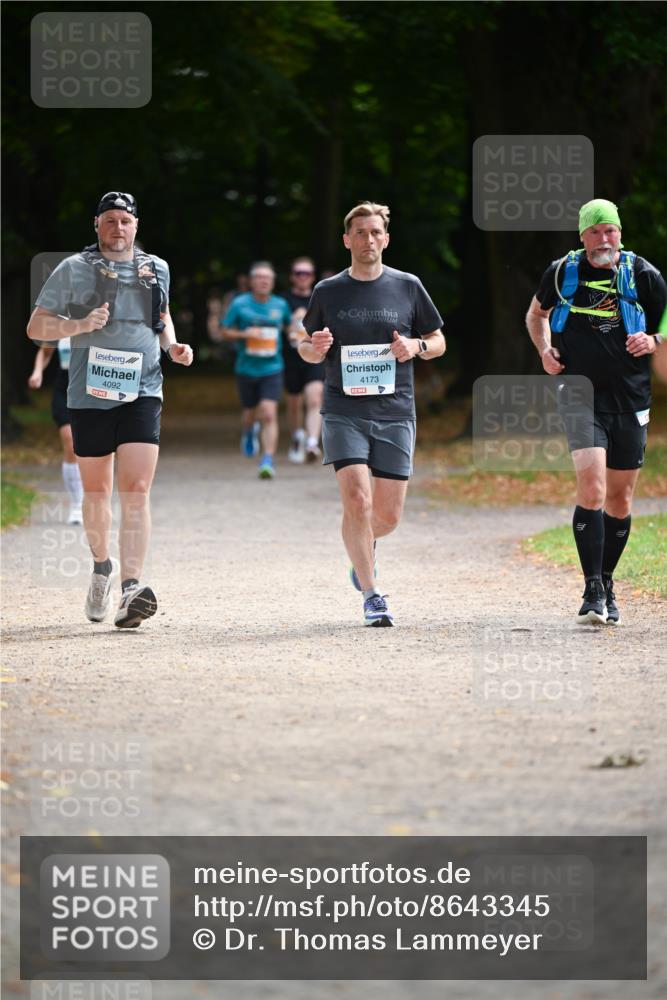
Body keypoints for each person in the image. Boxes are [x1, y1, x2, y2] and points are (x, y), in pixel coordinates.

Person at [27, 191, 193, 628]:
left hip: (143, 388)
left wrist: (172, 346)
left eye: (125, 221)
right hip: (89, 393)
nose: (118, 228)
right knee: (98, 492)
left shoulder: (156, 268)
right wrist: (79, 324)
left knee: (136, 488)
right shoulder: (73, 269)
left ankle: (131, 588)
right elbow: (36, 325)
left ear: (136, 226)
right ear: (96, 225)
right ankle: (102, 568)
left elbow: (161, 317)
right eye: (110, 221)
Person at [300, 201, 445, 627]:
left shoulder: (408, 286)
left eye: (375, 232)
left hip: (396, 411)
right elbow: (305, 346)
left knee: (387, 516)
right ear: (347, 240)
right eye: (359, 233)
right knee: (358, 501)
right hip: (343, 410)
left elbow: (438, 340)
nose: (367, 239)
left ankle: (361, 547)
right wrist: (316, 348)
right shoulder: (328, 291)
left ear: (386, 239)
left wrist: (416, 346)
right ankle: (371, 593)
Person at [526, 198, 666, 625]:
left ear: (620, 233)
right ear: (582, 235)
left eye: (611, 231)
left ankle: (607, 582)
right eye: (595, 231)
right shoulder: (563, 271)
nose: (604, 239)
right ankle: (590, 590)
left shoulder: (644, 275)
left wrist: (655, 342)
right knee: (593, 487)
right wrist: (545, 350)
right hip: (579, 391)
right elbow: (536, 315)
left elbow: (664, 326)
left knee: (620, 499)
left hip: (630, 396)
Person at [222, 261, 291, 479]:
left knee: (269, 413)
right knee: (250, 412)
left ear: (272, 282)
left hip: (272, 367)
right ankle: (249, 430)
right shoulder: (240, 304)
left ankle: (267, 460)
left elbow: (290, 327)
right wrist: (246, 335)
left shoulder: (280, 305)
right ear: (252, 281)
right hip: (246, 368)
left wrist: (298, 329)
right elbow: (224, 330)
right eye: (259, 277)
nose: (263, 281)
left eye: (267, 278)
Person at [28, 338, 84, 524]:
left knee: (93, 448)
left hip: (91, 388)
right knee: (70, 443)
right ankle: (77, 505)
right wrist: (38, 372)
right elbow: (44, 353)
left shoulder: (99, 319)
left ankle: (93, 499)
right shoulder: (60, 324)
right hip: (65, 389)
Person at [282, 257, 324, 463]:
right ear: (292, 276)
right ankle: (298, 436)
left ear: (312, 277)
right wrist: (290, 323)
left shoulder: (320, 297)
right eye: (299, 273)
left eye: (306, 273)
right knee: (294, 403)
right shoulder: (283, 300)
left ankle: (312, 444)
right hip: (291, 358)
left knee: (315, 398)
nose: (302, 277)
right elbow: (271, 327)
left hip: (315, 356)